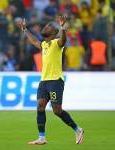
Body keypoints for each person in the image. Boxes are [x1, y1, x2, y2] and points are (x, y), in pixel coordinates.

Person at [18, 16, 84, 145]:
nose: (45, 27)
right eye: (45, 26)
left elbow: (63, 40)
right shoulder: (44, 45)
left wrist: (63, 28)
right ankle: (41, 137)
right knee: (40, 106)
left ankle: (78, 129)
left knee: (57, 110)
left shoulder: (57, 43)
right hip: (44, 81)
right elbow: (34, 41)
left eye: (48, 26)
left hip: (55, 81)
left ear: (53, 33)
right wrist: (25, 30)